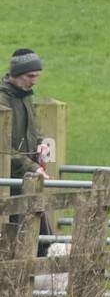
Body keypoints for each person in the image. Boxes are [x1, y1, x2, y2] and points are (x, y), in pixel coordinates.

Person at [1, 48, 53, 255]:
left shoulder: (25, 97)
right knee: (18, 241)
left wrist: (40, 144)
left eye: (36, 76)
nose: (34, 81)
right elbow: (3, 149)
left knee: (40, 238)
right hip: (8, 182)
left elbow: (33, 129)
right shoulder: (2, 101)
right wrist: (32, 167)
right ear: (16, 73)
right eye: (30, 76)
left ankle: (41, 285)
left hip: (24, 180)